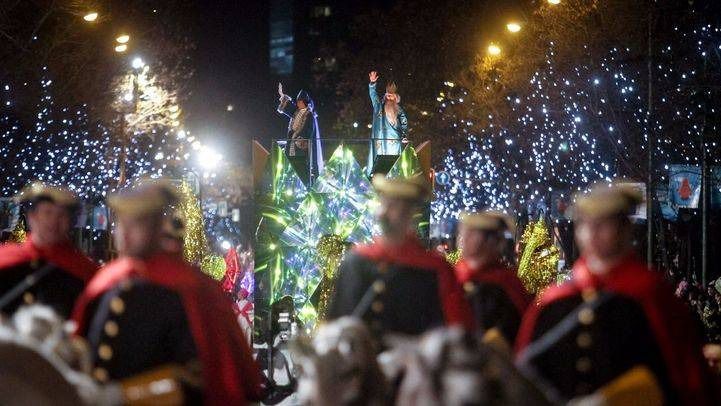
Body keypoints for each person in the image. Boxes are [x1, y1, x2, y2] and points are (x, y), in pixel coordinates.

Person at [515, 183, 718, 405]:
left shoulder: (651, 293)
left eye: (603, 224)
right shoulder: (557, 296)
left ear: (625, 229)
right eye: (585, 225)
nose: (591, 233)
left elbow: (685, 380)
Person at [71, 180, 263, 405]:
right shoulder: (108, 279)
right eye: (123, 224)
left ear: (156, 228)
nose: (125, 234)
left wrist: (126, 395)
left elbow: (199, 376)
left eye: (137, 224)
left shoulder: (192, 287)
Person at [327, 173, 473, 345]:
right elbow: (335, 321)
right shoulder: (356, 261)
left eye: (393, 206)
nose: (384, 213)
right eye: (383, 204)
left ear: (410, 212)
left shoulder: (434, 269)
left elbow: (455, 330)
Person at [0, 182, 96, 318]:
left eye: (62, 215)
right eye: (47, 212)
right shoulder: (5, 258)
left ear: (71, 222)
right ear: (32, 217)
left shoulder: (84, 271)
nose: (53, 221)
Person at [455, 211, 531, 347]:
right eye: (463, 232)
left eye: (472, 233)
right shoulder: (455, 276)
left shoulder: (506, 282)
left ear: (491, 240)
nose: (463, 239)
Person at [276, 83, 323, 181]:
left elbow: (309, 132)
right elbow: (289, 107)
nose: (297, 103)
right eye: (297, 102)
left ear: (304, 102)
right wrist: (282, 96)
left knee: (302, 173)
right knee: (292, 170)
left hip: (302, 151)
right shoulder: (297, 112)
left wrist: (298, 139)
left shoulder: (309, 115)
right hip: (293, 148)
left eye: (299, 102)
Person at [367, 71, 408, 173]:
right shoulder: (378, 107)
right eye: (388, 96)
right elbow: (373, 95)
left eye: (392, 96)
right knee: (377, 166)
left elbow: (404, 123)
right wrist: (372, 84)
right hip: (380, 141)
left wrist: (404, 135)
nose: (389, 98)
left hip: (394, 142)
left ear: (395, 98)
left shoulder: (399, 110)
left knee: (393, 165)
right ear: (385, 97)